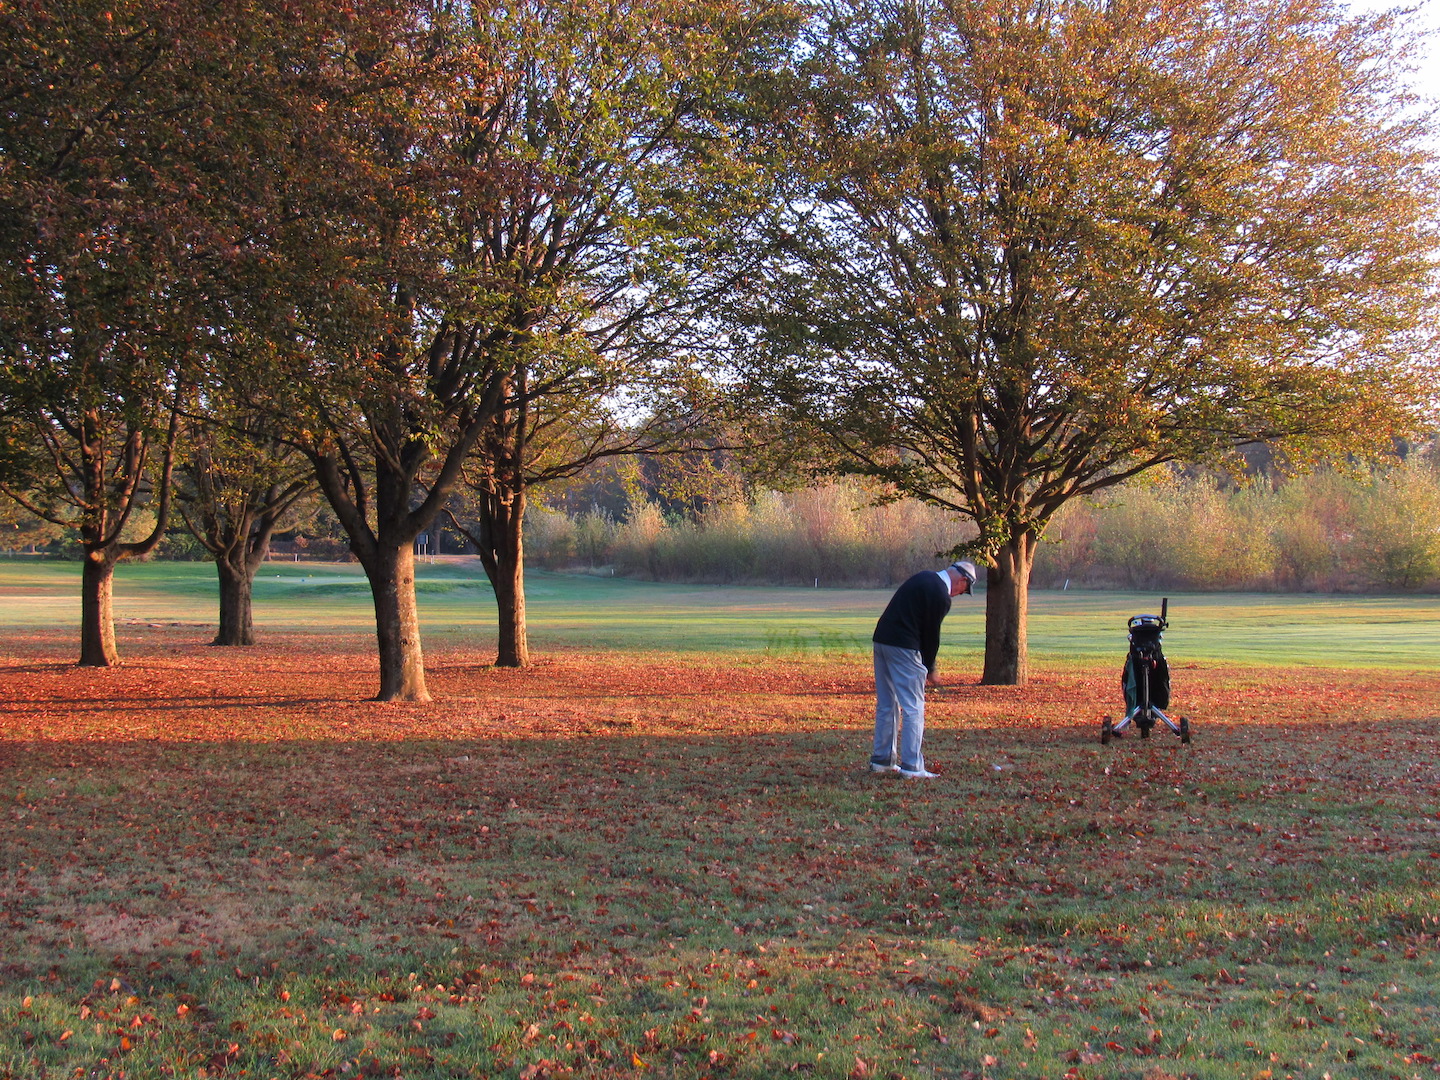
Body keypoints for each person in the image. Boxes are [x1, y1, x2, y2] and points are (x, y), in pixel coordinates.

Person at [869, 559, 977, 778]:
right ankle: (912, 766)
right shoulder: (940, 595)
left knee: (887, 704)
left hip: (882, 641)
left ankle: (882, 761)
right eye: (965, 590)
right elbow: (931, 636)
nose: (959, 594)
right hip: (904, 647)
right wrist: (930, 667)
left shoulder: (924, 577)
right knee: (913, 707)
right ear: (962, 580)